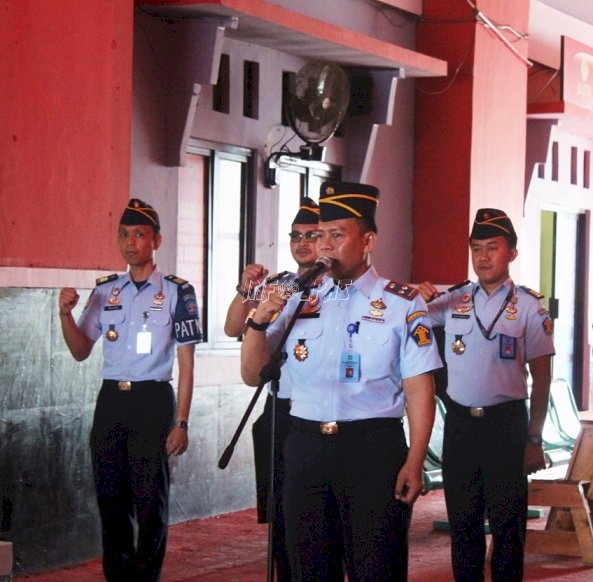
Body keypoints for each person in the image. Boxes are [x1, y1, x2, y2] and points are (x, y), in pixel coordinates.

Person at [240, 180, 442, 580]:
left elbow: (420, 388)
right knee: (309, 569)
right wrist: (258, 322)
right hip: (305, 448)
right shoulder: (298, 297)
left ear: (368, 240)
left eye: (337, 235)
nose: (325, 246)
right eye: (320, 236)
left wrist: (415, 461)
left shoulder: (401, 302)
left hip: (372, 449)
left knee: (376, 568)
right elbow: (251, 375)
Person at [58, 198, 202, 582]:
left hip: (152, 402)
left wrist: (181, 422)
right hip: (111, 402)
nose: (130, 242)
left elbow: (186, 364)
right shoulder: (107, 291)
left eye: (139, 234)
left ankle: (146, 577)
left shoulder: (177, 292)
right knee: (110, 499)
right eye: (124, 234)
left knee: (149, 500)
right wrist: (64, 315)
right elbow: (79, 350)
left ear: (157, 240)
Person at [416, 208, 555, 582]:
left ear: (511, 252)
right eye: (476, 248)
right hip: (461, 426)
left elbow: (541, 381)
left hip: (506, 427)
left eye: (492, 248)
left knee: (509, 528)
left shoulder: (529, 306)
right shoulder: (455, 300)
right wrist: (419, 297)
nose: (483, 257)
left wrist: (534, 439)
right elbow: (407, 318)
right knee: (464, 527)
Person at [225, 198, 343, 580]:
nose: (302, 243)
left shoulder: (338, 289)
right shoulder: (280, 285)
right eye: (295, 236)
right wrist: (248, 291)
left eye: (311, 235)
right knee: (281, 518)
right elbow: (231, 327)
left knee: (320, 522)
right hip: (280, 412)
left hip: (322, 413)